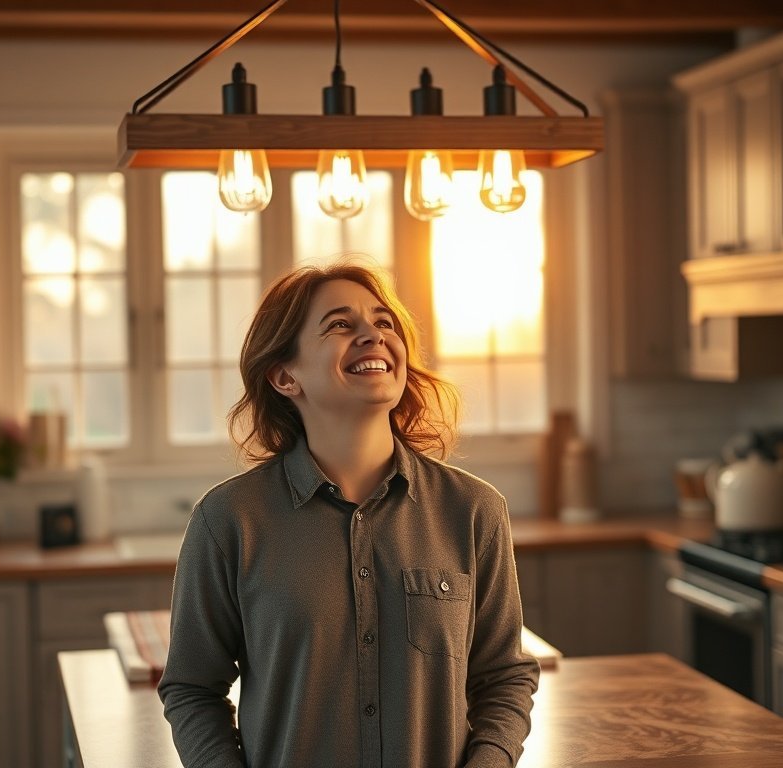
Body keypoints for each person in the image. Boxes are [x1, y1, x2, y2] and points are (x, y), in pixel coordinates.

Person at [160, 258, 540, 768]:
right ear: (285, 376)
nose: (373, 335)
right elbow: (191, 688)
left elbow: (505, 677)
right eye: (340, 324)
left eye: (384, 322)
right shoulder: (228, 521)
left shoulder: (474, 511)